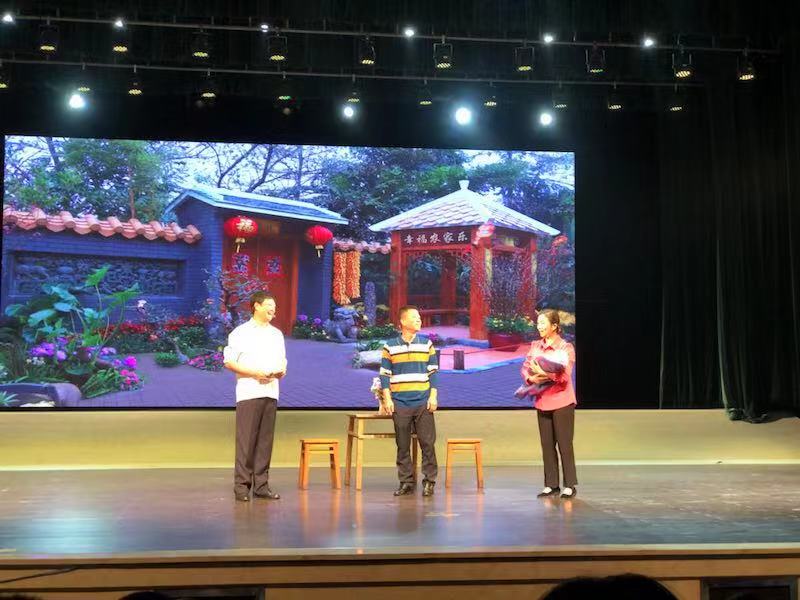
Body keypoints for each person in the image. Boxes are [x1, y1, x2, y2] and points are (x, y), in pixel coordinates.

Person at [223, 291, 287, 502]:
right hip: (249, 391)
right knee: (246, 442)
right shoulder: (240, 333)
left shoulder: (276, 334)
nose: (272, 309)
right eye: (268, 304)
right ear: (256, 306)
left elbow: (282, 360)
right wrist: (254, 373)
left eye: (274, 306)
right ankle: (241, 487)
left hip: (271, 391)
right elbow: (229, 362)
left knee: (265, 442)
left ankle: (261, 486)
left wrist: (281, 370)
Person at [380, 305, 439, 497]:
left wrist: (433, 396)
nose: (419, 320)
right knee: (403, 445)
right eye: (414, 317)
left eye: (419, 317)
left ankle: (429, 481)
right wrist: (387, 399)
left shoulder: (426, 344)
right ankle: (406, 482)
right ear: (403, 321)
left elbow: (433, 373)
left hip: (423, 401)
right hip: (400, 402)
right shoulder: (390, 346)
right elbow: (384, 374)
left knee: (427, 443)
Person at [521, 309, 577, 499]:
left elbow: (564, 376)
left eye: (543, 323)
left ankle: (570, 485)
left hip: (562, 401)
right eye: (538, 323)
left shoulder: (566, 348)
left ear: (554, 326)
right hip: (543, 400)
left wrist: (544, 374)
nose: (539, 327)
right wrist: (531, 378)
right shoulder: (536, 346)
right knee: (547, 445)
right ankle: (551, 484)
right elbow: (525, 368)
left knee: (564, 444)